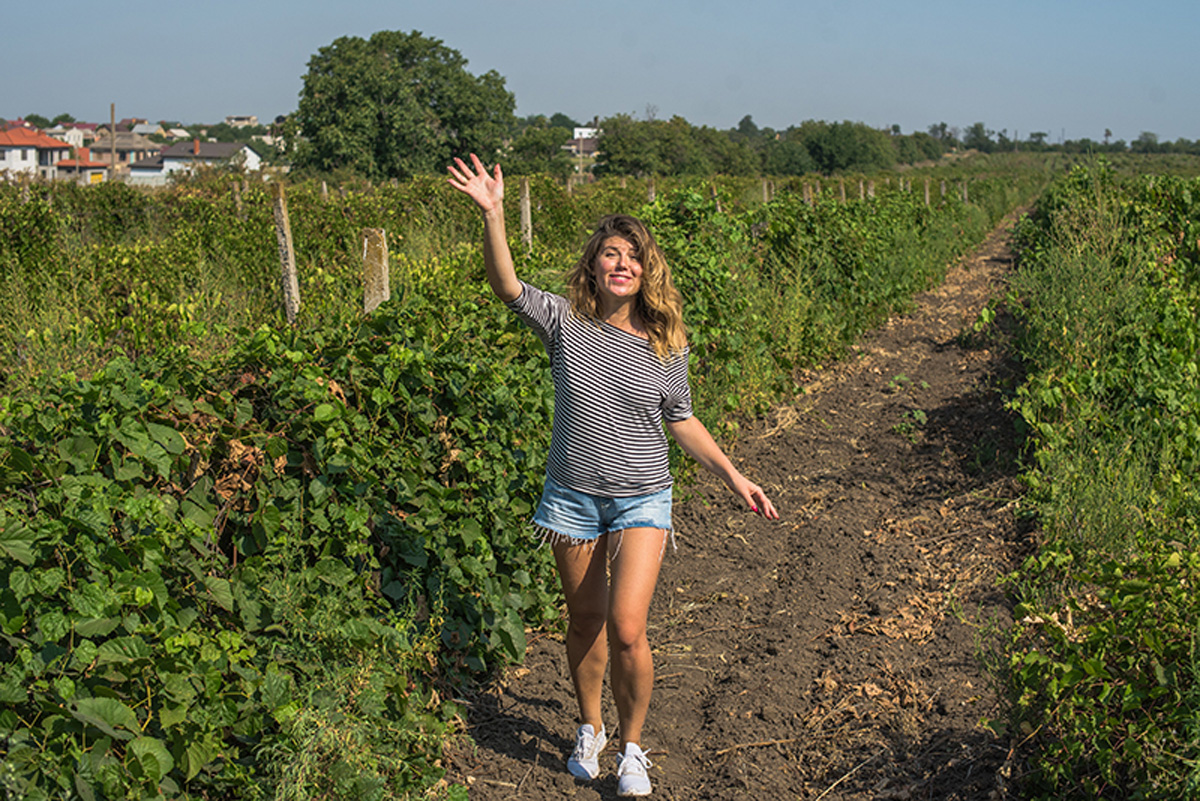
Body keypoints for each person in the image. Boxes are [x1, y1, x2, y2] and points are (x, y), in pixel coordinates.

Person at [448, 154, 778, 797]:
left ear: (644, 269)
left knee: (629, 628)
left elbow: (681, 420)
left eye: (631, 256)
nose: (620, 264)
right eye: (609, 255)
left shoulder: (665, 342)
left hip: (642, 499)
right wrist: (492, 215)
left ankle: (632, 747)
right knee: (583, 621)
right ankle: (590, 727)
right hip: (570, 501)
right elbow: (506, 284)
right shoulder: (562, 322)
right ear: (593, 268)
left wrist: (734, 476)